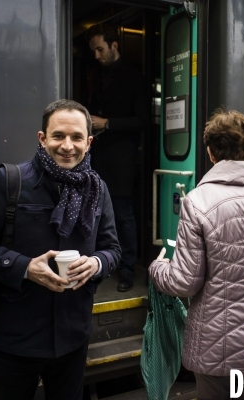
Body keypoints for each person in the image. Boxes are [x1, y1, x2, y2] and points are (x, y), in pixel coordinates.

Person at [0, 99, 121, 400]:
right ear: (42, 139)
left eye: (76, 137)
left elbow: (112, 249)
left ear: (89, 142)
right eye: (58, 136)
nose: (67, 146)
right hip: (18, 339)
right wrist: (23, 267)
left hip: (73, 336)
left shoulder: (98, 190)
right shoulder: (8, 181)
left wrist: (98, 263)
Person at [149, 110, 244, 400]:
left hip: (218, 345)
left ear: (210, 153)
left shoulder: (198, 201)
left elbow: (184, 282)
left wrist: (158, 267)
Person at [86, 24, 149, 292]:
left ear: (114, 46)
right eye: (94, 51)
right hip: (97, 158)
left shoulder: (135, 77)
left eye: (100, 49)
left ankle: (127, 270)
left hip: (122, 161)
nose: (97, 55)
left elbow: (143, 121)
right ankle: (104, 265)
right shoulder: (94, 75)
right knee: (97, 215)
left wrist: (108, 123)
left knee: (124, 216)